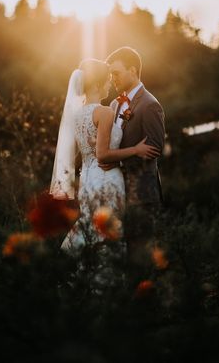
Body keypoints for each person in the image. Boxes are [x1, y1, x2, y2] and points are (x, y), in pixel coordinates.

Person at [51, 58, 159, 291]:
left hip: (88, 179)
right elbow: (103, 155)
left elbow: (91, 149)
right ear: (99, 84)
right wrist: (136, 150)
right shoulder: (105, 112)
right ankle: (105, 287)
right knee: (109, 230)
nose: (111, 84)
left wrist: (97, 143)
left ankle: (81, 279)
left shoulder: (78, 114)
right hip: (106, 177)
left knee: (92, 225)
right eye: (108, 80)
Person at [100, 46, 166, 286]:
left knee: (143, 253)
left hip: (142, 192)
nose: (113, 78)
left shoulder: (150, 105)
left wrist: (115, 158)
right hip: (120, 190)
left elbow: (155, 148)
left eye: (116, 73)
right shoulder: (116, 105)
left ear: (132, 70)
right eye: (110, 75)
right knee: (125, 251)